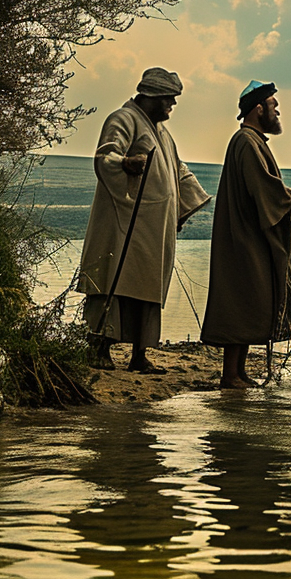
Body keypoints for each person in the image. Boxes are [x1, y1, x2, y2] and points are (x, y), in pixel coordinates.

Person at [79, 68, 211, 372]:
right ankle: (99, 349)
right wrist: (125, 162)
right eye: (168, 99)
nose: (172, 106)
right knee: (112, 281)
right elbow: (105, 157)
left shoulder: (161, 131)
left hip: (152, 229)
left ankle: (140, 356)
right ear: (151, 96)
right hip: (123, 224)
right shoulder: (122, 119)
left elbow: (176, 170)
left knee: (147, 289)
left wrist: (187, 204)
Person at [200, 81, 291, 389]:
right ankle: (230, 375)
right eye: (273, 106)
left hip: (248, 238)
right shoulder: (247, 142)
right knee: (240, 303)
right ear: (258, 109)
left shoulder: (252, 140)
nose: (277, 112)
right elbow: (264, 189)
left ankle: (240, 373)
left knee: (250, 303)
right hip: (244, 240)